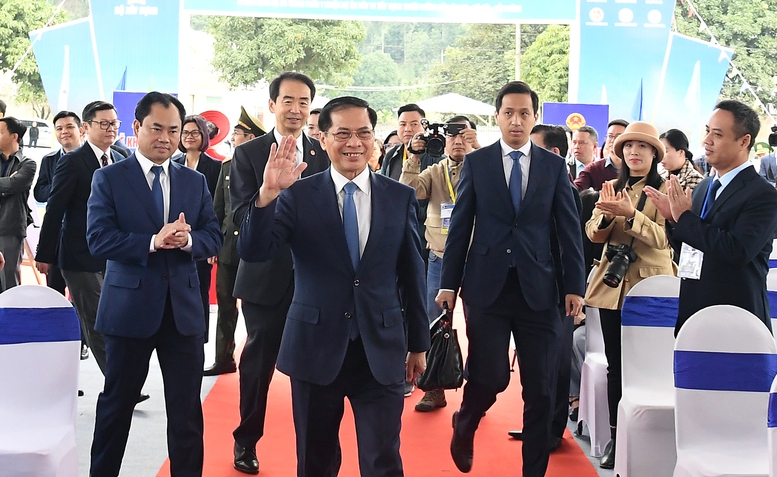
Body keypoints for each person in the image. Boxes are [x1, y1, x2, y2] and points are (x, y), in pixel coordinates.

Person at [238, 95, 429, 477]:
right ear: (323, 139)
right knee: (316, 461)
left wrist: (418, 344)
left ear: (375, 139)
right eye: (342, 134)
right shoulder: (296, 195)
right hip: (315, 347)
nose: (354, 143)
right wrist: (267, 196)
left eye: (363, 133)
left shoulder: (399, 196)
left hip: (380, 348)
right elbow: (255, 251)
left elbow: (412, 273)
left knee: (383, 460)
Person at [437, 81, 585, 477]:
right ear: (497, 117)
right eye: (509, 113)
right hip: (487, 288)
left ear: (535, 117)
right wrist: (449, 284)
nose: (516, 121)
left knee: (541, 388)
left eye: (524, 113)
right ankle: (465, 421)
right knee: (490, 378)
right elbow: (460, 228)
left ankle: (533, 471)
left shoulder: (553, 166)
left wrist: (575, 286)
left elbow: (568, 230)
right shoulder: (478, 163)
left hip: (541, 290)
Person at [86, 92, 222, 476]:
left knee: (186, 412)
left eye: (173, 130)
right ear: (137, 128)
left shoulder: (194, 181)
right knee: (116, 406)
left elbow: (214, 236)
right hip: (129, 311)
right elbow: (98, 239)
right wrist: (152, 241)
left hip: (183, 313)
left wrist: (189, 240)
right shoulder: (109, 178)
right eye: (156, 128)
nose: (165, 137)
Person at [229, 71, 330, 474]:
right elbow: (240, 216)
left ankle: (315, 449)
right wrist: (268, 192)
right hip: (265, 277)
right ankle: (246, 441)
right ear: (272, 105)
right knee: (258, 367)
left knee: (318, 368)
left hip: (316, 278)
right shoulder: (249, 154)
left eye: (304, 102)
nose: (296, 109)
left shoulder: (323, 153)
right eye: (288, 100)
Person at [584, 121, 676, 469]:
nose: (634, 152)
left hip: (651, 291)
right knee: (616, 366)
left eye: (642, 147)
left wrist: (632, 215)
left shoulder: (666, 189)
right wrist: (607, 218)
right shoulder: (611, 187)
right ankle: (616, 436)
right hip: (612, 287)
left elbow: (664, 239)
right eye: (628, 147)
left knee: (652, 365)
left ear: (654, 153)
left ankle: (654, 438)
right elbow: (592, 233)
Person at [645, 100, 777, 334]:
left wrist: (684, 218)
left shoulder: (762, 194)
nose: (706, 141)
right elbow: (690, 246)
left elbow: (737, 250)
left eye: (717, 134)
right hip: (693, 310)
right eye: (707, 131)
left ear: (744, 141)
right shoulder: (704, 187)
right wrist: (674, 221)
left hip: (737, 316)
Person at [35, 101, 127, 382]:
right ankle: (120, 383)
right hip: (78, 254)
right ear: (86, 127)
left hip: (113, 255)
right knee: (97, 320)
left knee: (116, 319)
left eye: (114, 123)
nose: (110, 129)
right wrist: (45, 254)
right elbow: (55, 208)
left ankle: (122, 381)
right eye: (104, 123)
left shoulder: (121, 158)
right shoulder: (73, 161)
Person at [507, 123, 583, 450]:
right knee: (537, 366)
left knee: (555, 363)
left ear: (553, 153)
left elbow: (570, 243)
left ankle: (551, 430)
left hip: (557, 289)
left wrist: (572, 288)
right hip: (532, 287)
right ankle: (537, 427)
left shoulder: (565, 189)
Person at [399, 115, 477, 412]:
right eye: (452, 136)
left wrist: (477, 151)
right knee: (433, 324)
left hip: (477, 259)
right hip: (439, 258)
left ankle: (476, 390)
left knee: (479, 326)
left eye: (464, 135)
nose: (457, 142)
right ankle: (434, 388)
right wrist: (414, 156)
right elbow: (408, 192)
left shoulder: (485, 169)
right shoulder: (435, 171)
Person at [204, 107, 266, 377]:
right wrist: (213, 242)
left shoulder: (266, 165)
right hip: (229, 246)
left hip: (256, 249)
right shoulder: (227, 165)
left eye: (238, 133)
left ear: (250, 137)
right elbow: (218, 208)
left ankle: (256, 361)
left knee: (255, 310)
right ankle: (223, 358)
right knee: (226, 306)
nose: (233, 137)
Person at [174, 114, 221, 341]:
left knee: (200, 288)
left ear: (204, 135)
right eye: (185, 132)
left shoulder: (216, 167)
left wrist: (213, 245)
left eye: (194, 132)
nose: (189, 137)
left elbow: (219, 206)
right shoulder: (173, 163)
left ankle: (200, 336)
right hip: (174, 236)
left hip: (201, 238)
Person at [0, 117, 35, 292]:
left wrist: (10, 184)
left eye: (0, 132)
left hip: (10, 227)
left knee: (8, 279)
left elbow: (15, 185)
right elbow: (10, 185)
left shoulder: (28, 164)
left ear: (14, 136)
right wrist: (7, 184)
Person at [574, 120, 628, 191]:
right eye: (610, 136)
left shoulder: (635, 168)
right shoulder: (593, 168)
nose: (612, 140)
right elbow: (574, 191)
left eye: (618, 136)